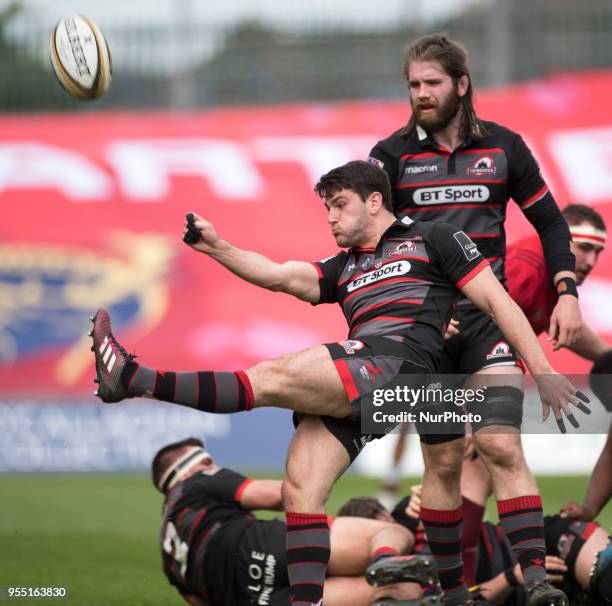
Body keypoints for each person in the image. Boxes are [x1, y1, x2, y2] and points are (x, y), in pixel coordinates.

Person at [91, 160, 586, 606]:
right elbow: (280, 276)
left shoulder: (434, 238)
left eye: (339, 205)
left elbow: (498, 302)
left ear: (375, 202)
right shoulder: (343, 267)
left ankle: (133, 378)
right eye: (326, 207)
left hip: (397, 367)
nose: (329, 216)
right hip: (376, 379)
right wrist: (218, 248)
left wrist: (541, 371)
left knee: (274, 375)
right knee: (301, 486)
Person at [368, 33, 583, 606]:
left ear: (461, 85)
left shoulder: (506, 148)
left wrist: (566, 291)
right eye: (413, 85)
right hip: (427, 335)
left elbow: (553, 226)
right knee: (440, 461)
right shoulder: (388, 158)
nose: (420, 94)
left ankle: (536, 581)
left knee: (500, 444)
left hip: (488, 326)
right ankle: (453, 590)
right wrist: (414, 309)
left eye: (432, 83)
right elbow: (373, 245)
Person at [152, 436, 435, 606]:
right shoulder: (195, 482)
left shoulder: (169, 560)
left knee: (399, 591)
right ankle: (383, 558)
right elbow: (282, 495)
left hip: (257, 601)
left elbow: (198, 601)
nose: (213, 466)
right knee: (389, 534)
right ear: (191, 466)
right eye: (208, 461)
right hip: (264, 547)